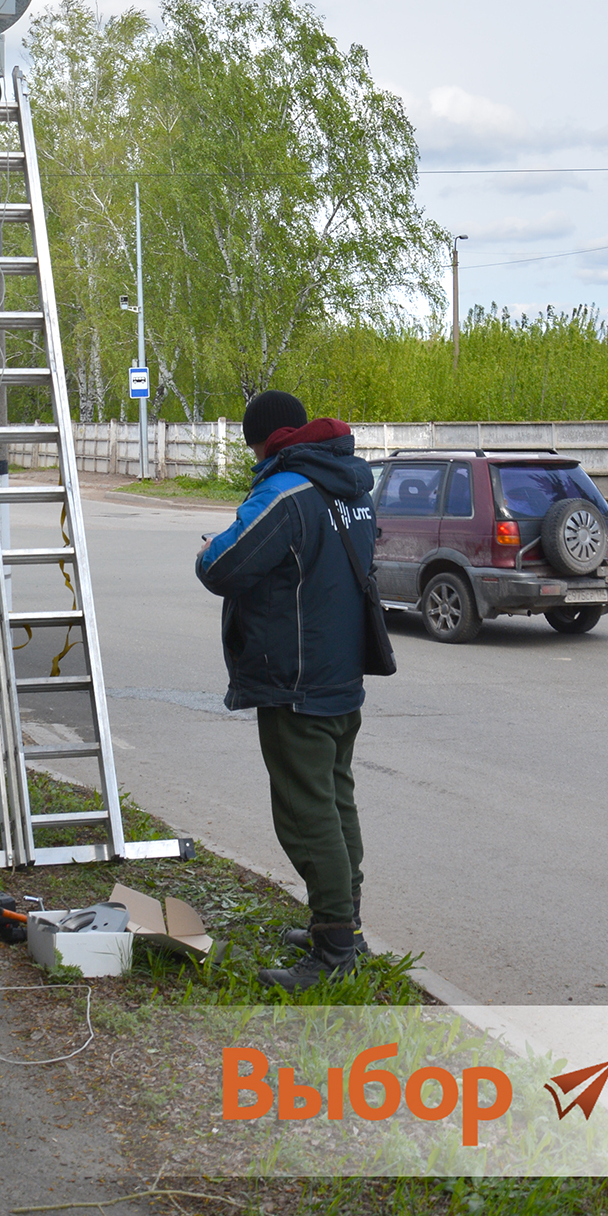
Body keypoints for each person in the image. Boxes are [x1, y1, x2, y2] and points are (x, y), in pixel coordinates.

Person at [195, 389, 378, 992]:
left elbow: (221, 565)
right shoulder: (348, 484)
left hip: (295, 679)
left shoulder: (287, 491)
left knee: (306, 815)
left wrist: (206, 550)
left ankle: (333, 955)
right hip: (340, 674)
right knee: (335, 799)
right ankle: (344, 927)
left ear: (266, 440)